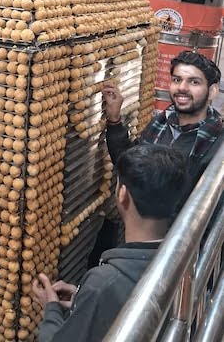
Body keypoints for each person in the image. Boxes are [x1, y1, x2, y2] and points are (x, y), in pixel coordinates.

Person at [32, 144, 187, 342]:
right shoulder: (184, 258)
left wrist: (51, 309)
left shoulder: (104, 284)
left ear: (123, 195)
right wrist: (83, 300)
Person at [103, 50, 222, 193]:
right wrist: (114, 120)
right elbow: (129, 164)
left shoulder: (217, 144)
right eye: (177, 80)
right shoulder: (160, 124)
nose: (182, 88)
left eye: (194, 82)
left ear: (212, 91)